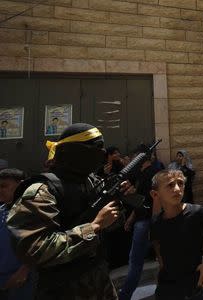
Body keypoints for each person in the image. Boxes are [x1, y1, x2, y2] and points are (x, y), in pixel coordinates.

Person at [7, 123, 135, 300]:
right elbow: (34, 249)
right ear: (72, 151)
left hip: (99, 282)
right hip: (62, 290)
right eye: (95, 148)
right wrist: (94, 226)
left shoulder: (91, 182)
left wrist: (117, 203)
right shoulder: (43, 190)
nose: (102, 153)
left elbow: (112, 225)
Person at [150, 169, 203, 300]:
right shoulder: (156, 221)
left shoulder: (196, 212)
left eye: (180, 183)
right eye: (170, 185)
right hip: (167, 286)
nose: (177, 189)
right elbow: (156, 242)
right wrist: (161, 263)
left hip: (194, 283)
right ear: (155, 194)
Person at [119, 149, 165, 300]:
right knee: (148, 260)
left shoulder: (155, 172)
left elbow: (156, 199)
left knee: (142, 261)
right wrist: (131, 218)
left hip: (149, 221)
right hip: (143, 220)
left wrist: (155, 224)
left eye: (134, 157)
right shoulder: (140, 174)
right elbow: (142, 201)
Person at [0, 168, 35, 300]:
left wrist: (24, 271)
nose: (0, 190)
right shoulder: (1, 210)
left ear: (21, 185)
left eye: (3, 186)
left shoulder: (32, 212)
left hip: (19, 279)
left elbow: (38, 245)